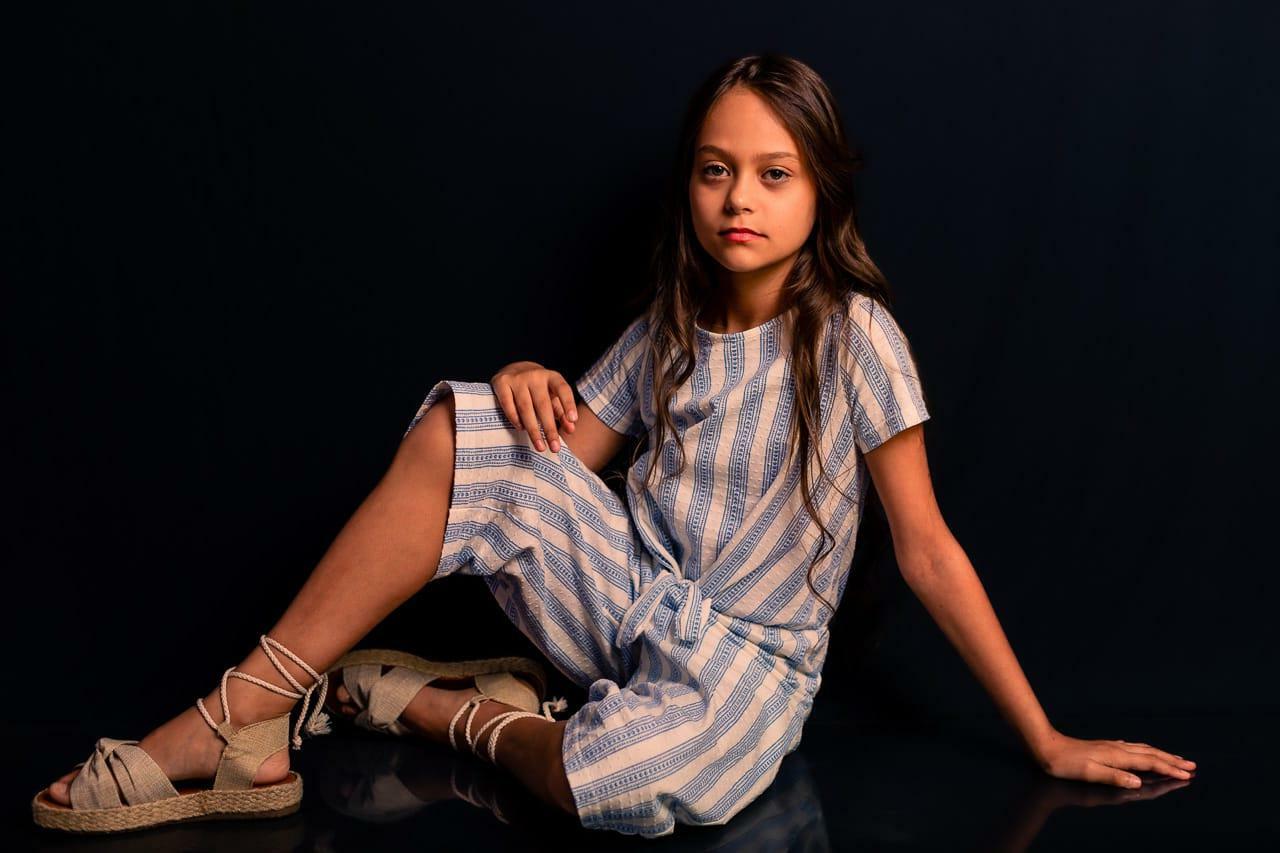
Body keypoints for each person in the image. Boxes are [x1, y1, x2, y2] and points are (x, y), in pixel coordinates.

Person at [31, 52, 1195, 838]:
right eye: (715, 169)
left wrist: (1044, 737)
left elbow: (927, 550)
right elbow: (534, 469)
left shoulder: (853, 338)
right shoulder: (667, 327)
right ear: (689, 184)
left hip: (748, 669)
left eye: (773, 174)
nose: (738, 198)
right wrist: (519, 383)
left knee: (619, 783)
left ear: (821, 194)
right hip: (627, 602)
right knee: (465, 423)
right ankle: (240, 714)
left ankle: (448, 708)